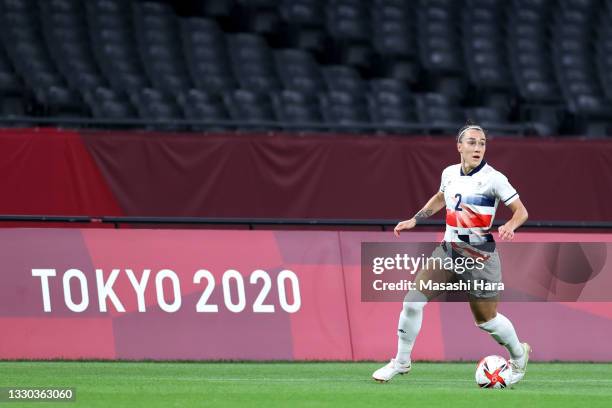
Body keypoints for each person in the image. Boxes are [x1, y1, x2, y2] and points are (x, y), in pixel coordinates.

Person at [372, 124, 530, 384]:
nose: (478, 147)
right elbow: (440, 197)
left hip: (480, 255)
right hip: (449, 251)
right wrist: (415, 219)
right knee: (412, 301)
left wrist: (510, 226)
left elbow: (521, 211)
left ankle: (518, 355)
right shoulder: (449, 173)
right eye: (472, 142)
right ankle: (401, 362)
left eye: (482, 143)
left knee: (486, 321)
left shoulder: (494, 178)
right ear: (459, 146)